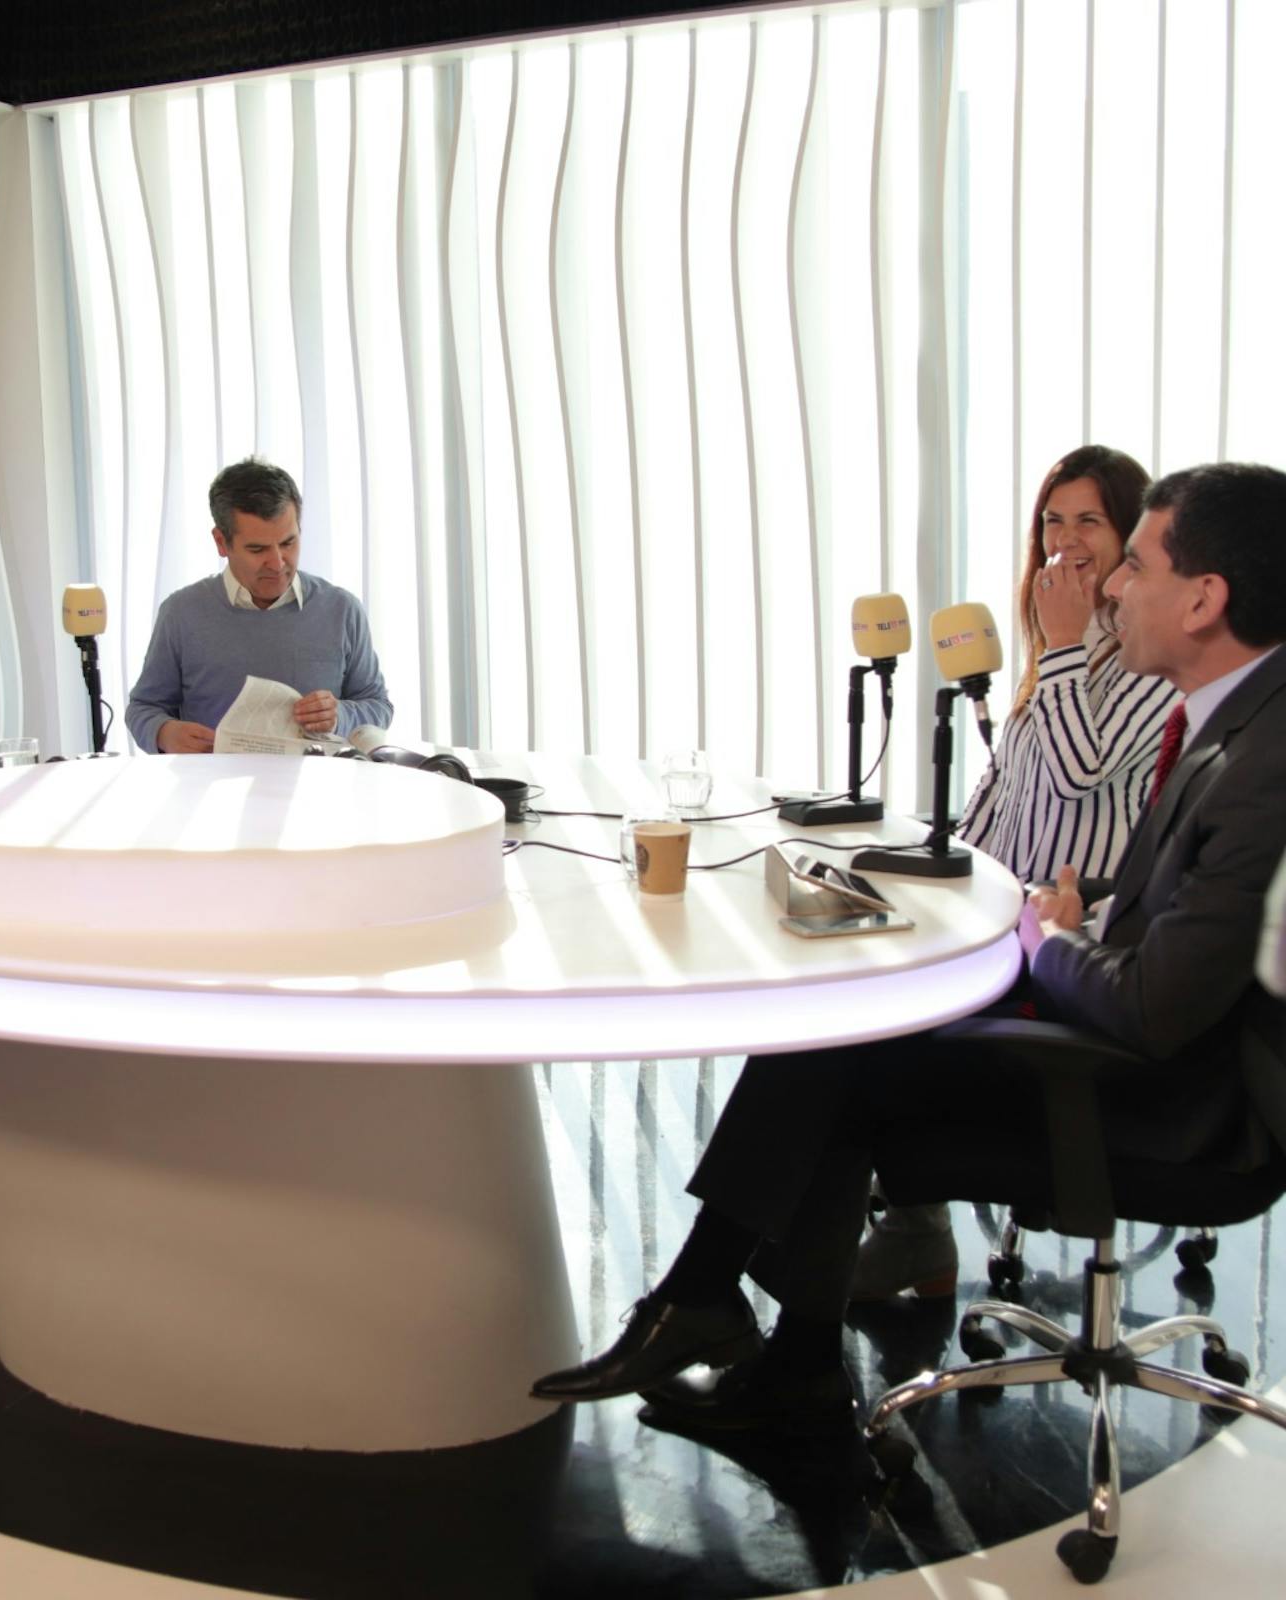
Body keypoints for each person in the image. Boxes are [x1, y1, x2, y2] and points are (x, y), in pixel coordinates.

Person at [531, 461, 1286, 1436]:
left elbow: (1152, 1007)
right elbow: (1174, 922)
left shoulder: (1261, 762)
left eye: (1133, 563)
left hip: (1176, 1108)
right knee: (838, 1026)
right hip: (1143, 1038)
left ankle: (718, 1314)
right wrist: (1077, 918)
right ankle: (762, 1343)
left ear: (1204, 599)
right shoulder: (1235, 718)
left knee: (835, 1052)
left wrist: (1049, 936)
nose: (1109, 585)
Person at [858, 446, 1180, 1300]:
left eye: (1089, 522)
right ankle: (883, 1218)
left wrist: (1067, 644)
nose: (1065, 541)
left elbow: (1080, 774)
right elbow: (1009, 793)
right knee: (855, 981)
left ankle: (910, 1228)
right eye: (1052, 522)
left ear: (1129, 540)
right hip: (1006, 914)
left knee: (882, 1025)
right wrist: (935, 869)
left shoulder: (1147, 660)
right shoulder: (1061, 655)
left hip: (1074, 938)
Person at [126, 459, 393, 752]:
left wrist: (339, 716)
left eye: (288, 543)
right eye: (257, 549)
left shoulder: (342, 610)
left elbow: (378, 705)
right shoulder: (181, 613)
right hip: (213, 778)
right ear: (221, 542)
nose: (277, 563)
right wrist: (164, 733)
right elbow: (143, 707)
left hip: (318, 779)